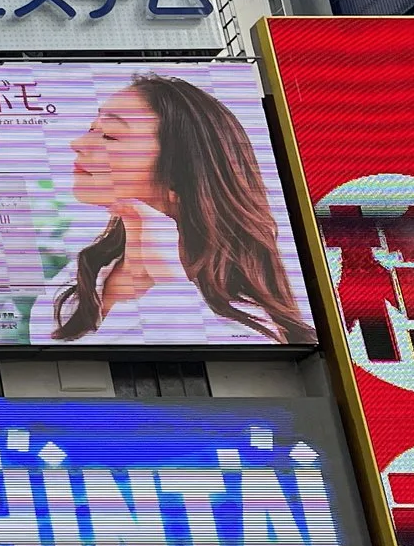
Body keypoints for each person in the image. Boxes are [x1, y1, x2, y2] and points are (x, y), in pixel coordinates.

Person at [48, 74, 314, 346]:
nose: (78, 144)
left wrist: (169, 281)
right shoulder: (78, 280)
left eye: (109, 135)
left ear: (179, 174)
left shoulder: (244, 323)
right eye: (92, 129)